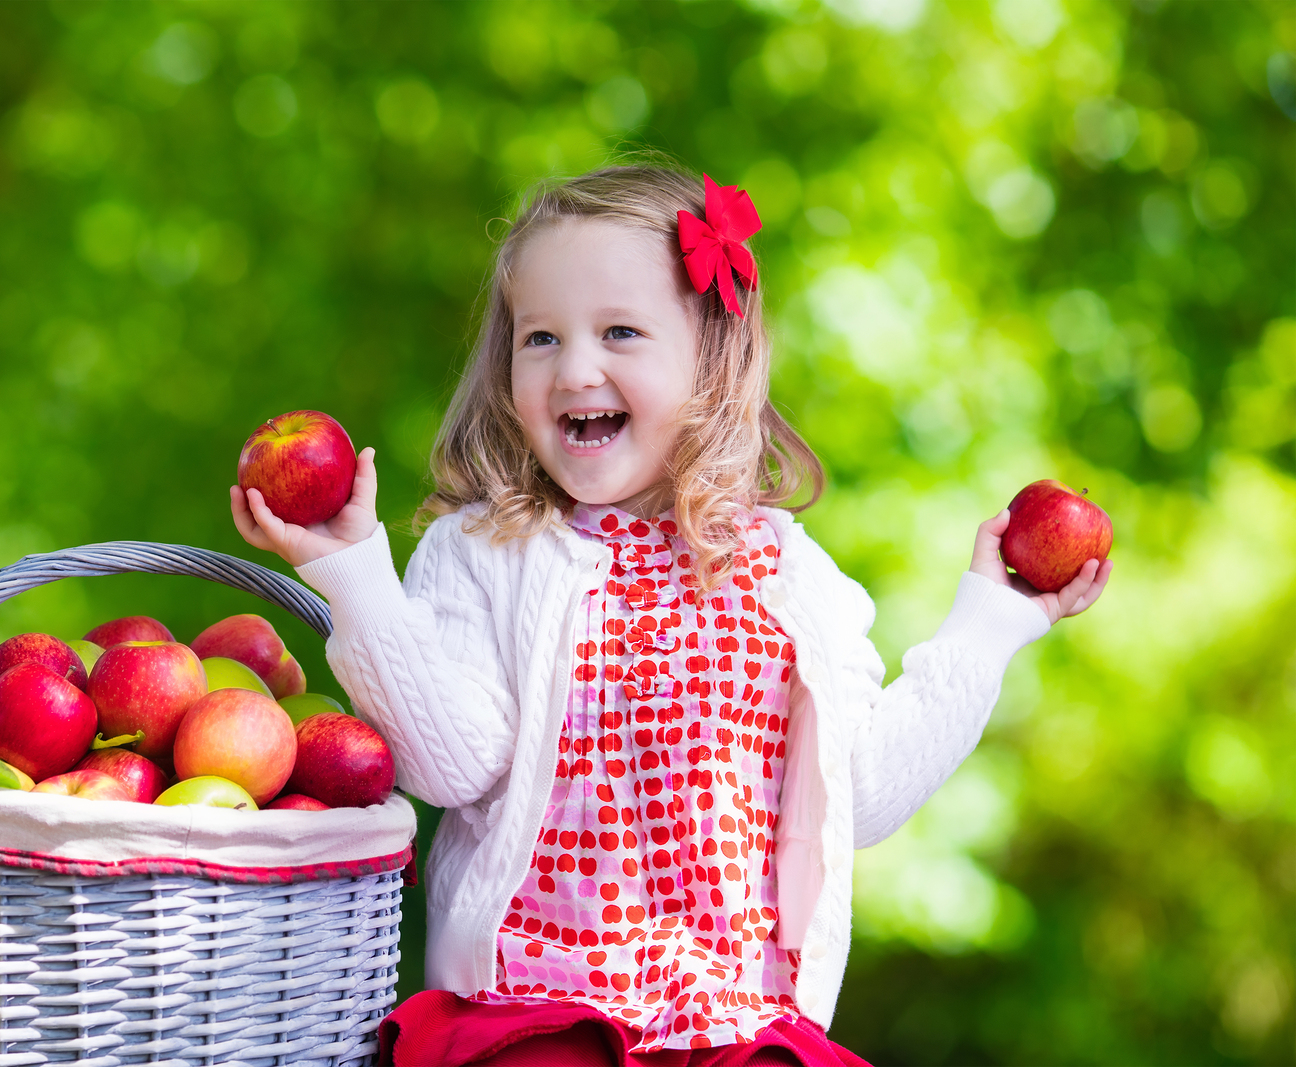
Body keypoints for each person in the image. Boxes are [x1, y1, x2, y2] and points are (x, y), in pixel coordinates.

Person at [230, 164, 1112, 1067]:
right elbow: (451, 764)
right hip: (537, 1007)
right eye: (539, 338)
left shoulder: (787, 574)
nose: (575, 368)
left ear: (711, 360)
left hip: (738, 1023)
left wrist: (988, 624)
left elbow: (863, 794)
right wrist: (355, 573)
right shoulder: (486, 550)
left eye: (619, 331)